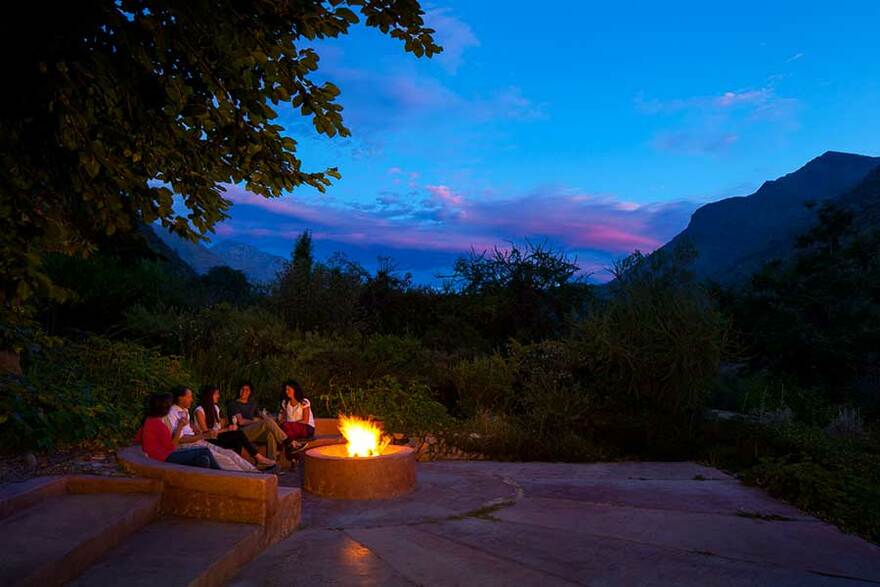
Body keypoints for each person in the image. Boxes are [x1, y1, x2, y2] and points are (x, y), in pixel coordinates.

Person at [167, 386, 261, 473]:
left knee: (230, 453)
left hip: (199, 441)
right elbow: (180, 439)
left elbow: (191, 429)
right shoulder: (172, 412)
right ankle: (247, 476)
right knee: (225, 459)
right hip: (190, 445)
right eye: (189, 397)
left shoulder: (185, 411)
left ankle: (254, 471)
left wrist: (196, 430)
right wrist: (202, 435)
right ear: (180, 398)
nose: (192, 400)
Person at [194, 384, 277, 470]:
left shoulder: (215, 408)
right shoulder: (199, 411)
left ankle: (239, 467)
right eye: (216, 394)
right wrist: (227, 429)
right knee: (238, 434)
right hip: (209, 439)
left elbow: (218, 426)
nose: (218, 396)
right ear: (209, 395)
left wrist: (228, 422)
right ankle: (258, 458)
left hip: (217, 436)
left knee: (237, 440)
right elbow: (206, 433)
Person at [134, 392, 220, 469]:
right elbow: (172, 447)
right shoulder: (159, 425)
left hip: (159, 456)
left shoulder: (149, 420)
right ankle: (222, 474)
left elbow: (137, 439)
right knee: (204, 450)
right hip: (164, 457)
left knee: (203, 460)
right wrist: (180, 427)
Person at [226, 381, 289, 462]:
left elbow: (262, 416)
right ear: (239, 390)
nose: (244, 391)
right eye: (242, 389)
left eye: (247, 390)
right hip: (241, 433)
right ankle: (287, 442)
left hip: (253, 433)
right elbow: (241, 422)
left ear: (250, 392)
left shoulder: (252, 404)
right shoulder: (233, 404)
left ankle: (271, 463)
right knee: (267, 422)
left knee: (270, 434)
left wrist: (267, 418)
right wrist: (256, 421)